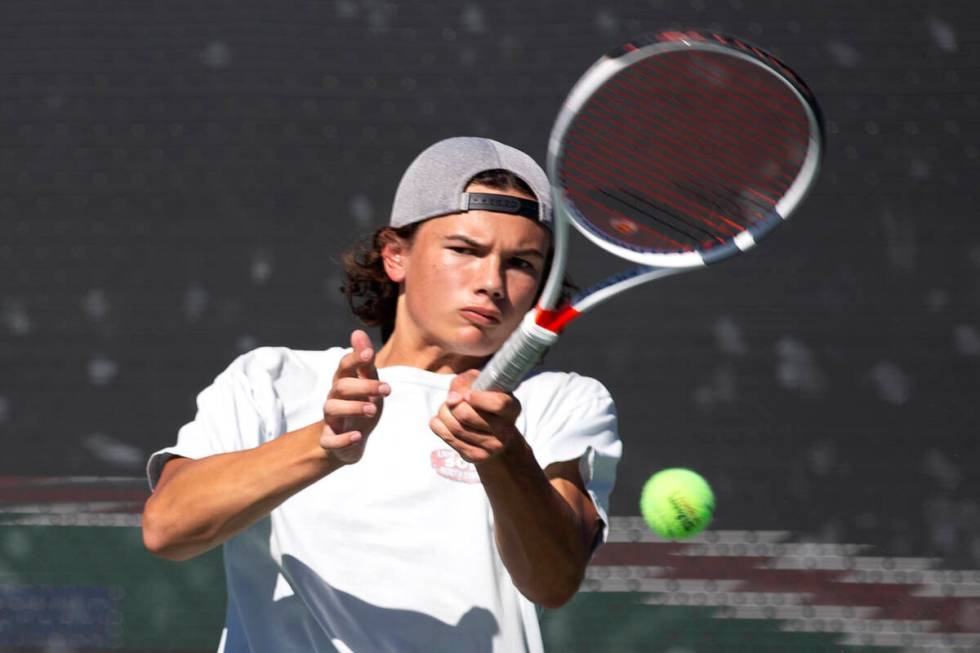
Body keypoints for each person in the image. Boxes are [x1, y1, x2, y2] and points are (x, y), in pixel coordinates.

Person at [142, 137, 622, 652]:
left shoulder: (563, 402)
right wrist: (323, 445)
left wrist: (503, 456)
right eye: (464, 250)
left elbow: (553, 582)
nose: (492, 282)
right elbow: (168, 527)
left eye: (522, 263)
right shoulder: (271, 380)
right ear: (396, 255)